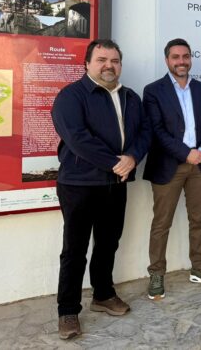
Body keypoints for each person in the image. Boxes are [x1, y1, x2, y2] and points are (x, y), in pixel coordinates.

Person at [51, 39, 150, 340]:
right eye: (102, 60)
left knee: (108, 243)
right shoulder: (71, 96)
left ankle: (103, 294)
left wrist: (132, 157)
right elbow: (77, 138)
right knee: (75, 249)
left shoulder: (130, 97)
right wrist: (115, 163)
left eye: (115, 60)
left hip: (115, 184)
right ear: (87, 64)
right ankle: (68, 310)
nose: (109, 65)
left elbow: (144, 133)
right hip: (79, 184)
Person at [143, 38, 201, 299]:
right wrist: (185, 153)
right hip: (169, 166)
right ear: (167, 60)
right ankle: (156, 273)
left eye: (185, 56)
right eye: (175, 57)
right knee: (161, 223)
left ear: (190, 59)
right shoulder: (153, 91)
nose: (181, 61)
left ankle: (198, 266)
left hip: (200, 164)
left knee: (198, 220)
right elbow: (156, 130)